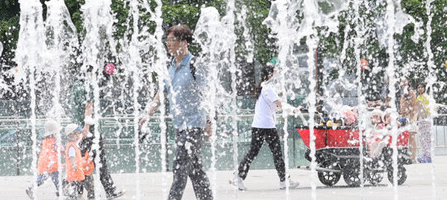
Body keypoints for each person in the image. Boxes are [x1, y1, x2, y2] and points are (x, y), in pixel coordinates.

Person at [139, 24, 213, 199]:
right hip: (179, 126)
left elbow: (206, 95)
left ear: (184, 42)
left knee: (180, 165)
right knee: (195, 169)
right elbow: (162, 93)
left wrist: (209, 122)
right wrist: (147, 113)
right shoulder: (170, 66)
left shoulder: (195, 65)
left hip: (194, 124)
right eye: (167, 40)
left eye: (172, 40)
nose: (168, 44)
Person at [230, 64, 298, 191]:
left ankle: (239, 177)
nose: (278, 75)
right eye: (276, 73)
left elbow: (274, 106)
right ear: (270, 75)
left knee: (254, 152)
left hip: (259, 125)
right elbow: (280, 104)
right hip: (266, 126)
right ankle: (283, 181)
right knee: (276, 153)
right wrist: (294, 110)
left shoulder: (264, 88)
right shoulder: (268, 89)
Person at [69, 65, 124, 199]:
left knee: (78, 161)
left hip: (77, 131)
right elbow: (89, 107)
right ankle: (110, 190)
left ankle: (74, 191)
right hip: (89, 132)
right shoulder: (89, 86)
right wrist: (86, 128)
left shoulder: (75, 86)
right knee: (100, 162)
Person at [27, 120, 61, 199]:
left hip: (44, 162)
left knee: (42, 178)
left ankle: (31, 188)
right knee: (56, 178)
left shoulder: (45, 140)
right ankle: (60, 192)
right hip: (52, 163)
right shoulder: (56, 141)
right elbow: (61, 150)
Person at [62, 124, 92, 200]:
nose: (80, 135)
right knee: (76, 184)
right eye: (78, 133)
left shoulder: (74, 144)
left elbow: (79, 137)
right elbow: (71, 156)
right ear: (71, 135)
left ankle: (76, 194)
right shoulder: (72, 146)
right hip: (74, 171)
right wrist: (73, 165)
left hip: (77, 171)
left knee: (78, 184)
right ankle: (76, 195)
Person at [416, 83, 435, 163]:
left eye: (421, 87)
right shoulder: (419, 97)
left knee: (426, 137)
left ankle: (428, 155)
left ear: (424, 88)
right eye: (418, 87)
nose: (420, 89)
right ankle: (425, 154)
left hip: (425, 118)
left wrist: (425, 111)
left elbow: (432, 107)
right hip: (422, 119)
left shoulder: (426, 97)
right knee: (423, 138)